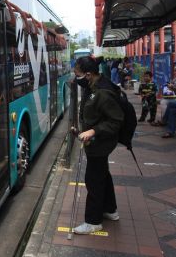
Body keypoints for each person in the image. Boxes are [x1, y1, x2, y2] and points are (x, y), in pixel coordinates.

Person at [72, 56, 124, 234]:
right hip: (97, 142)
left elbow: (116, 121)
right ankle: (110, 210)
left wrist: (93, 131)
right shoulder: (94, 85)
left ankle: (93, 221)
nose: (75, 79)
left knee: (93, 180)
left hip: (100, 143)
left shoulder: (103, 92)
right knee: (103, 175)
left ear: (88, 74)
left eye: (77, 75)